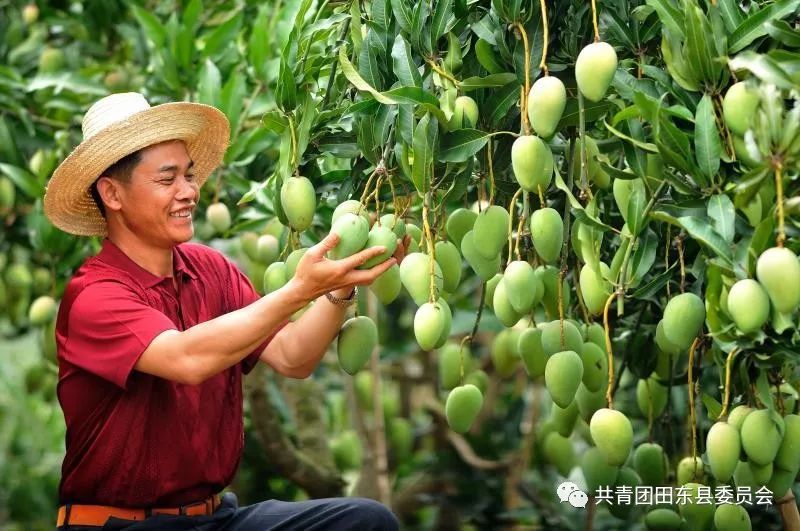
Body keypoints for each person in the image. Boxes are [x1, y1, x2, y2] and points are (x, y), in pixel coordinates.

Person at [43, 92, 406, 530]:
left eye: (190, 176)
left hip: (213, 517)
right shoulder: (95, 295)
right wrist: (297, 291)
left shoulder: (211, 270)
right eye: (167, 179)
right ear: (112, 194)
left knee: (365, 521)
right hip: (119, 526)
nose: (189, 191)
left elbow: (293, 356)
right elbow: (187, 359)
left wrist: (342, 284)